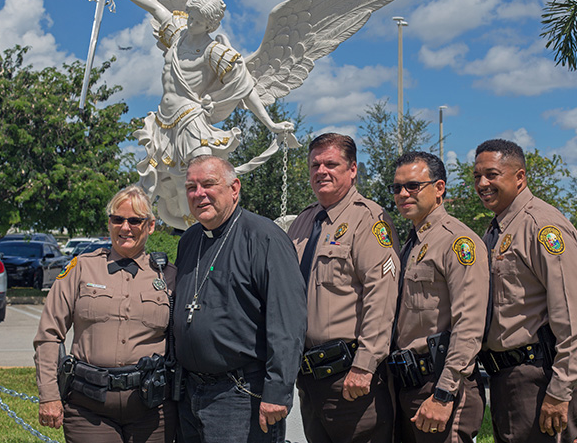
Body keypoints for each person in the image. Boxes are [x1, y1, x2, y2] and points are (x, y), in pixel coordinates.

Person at [97, 0, 294, 229]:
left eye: (198, 21)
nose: (191, 23)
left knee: (199, 186)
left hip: (191, 124)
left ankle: (217, 238)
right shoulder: (177, 35)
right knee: (153, 187)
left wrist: (271, 124)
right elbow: (154, 5)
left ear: (210, 25)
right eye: (190, 16)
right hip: (162, 123)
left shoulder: (215, 52)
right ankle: (135, 234)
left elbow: (246, 89)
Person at [173, 155, 306, 443]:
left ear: (235, 188)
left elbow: (288, 322)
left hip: (241, 394)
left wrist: (278, 392)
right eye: (191, 187)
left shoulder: (264, 237)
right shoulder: (190, 239)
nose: (199, 194)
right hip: (190, 392)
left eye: (209, 184)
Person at [473, 139, 577, 443]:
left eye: (492, 174)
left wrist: (559, 389)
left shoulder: (542, 227)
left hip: (540, 378)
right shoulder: (497, 229)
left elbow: (574, 315)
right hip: (509, 377)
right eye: (477, 176)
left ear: (520, 177)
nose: (482, 184)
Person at [34, 185, 177, 442]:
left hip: (152, 410)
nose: (125, 228)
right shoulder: (82, 269)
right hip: (89, 407)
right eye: (117, 219)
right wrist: (49, 394)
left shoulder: (167, 276)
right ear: (109, 223)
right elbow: (48, 334)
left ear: (151, 225)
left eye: (135, 220)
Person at [287, 133, 399, 443]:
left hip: (350, 378)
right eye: (315, 164)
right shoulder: (303, 222)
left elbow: (382, 297)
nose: (321, 171)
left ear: (352, 170)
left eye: (331, 164)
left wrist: (364, 366)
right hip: (310, 378)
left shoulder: (369, 220)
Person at [389, 151, 488, 442]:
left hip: (441, 386)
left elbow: (469, 324)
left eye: (413, 186)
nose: (403, 194)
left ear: (439, 188)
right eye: (397, 188)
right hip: (408, 383)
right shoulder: (411, 243)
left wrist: (444, 394)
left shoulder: (457, 241)